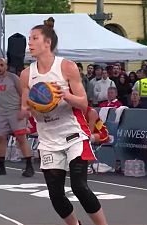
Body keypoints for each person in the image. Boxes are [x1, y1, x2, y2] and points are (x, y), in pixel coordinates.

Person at [19, 17, 108, 225]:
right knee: (56, 195)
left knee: (79, 187)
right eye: (28, 39)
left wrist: (65, 96)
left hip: (73, 134)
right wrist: (37, 104)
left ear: (47, 42)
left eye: (34, 38)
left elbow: (84, 103)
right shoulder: (26, 74)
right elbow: (24, 110)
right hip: (48, 139)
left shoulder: (67, 67)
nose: (29, 43)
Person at [0, 57, 35, 177]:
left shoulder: (13, 78)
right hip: (2, 113)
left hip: (15, 111)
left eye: (2, 65)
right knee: (1, 138)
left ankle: (29, 166)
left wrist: (24, 109)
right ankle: (1, 167)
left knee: (21, 138)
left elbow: (23, 93)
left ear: (6, 66)